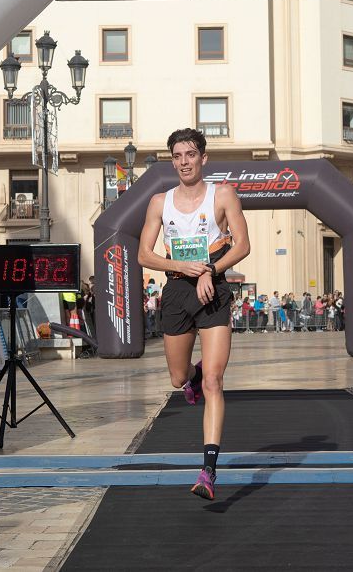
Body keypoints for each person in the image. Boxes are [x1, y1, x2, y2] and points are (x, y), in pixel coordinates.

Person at [137, 128, 250, 500]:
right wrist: (184, 268)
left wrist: (209, 271)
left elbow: (243, 245)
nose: (184, 161)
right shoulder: (159, 202)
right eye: (177, 156)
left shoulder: (222, 194)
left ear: (203, 158)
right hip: (176, 291)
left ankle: (208, 471)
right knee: (177, 377)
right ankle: (192, 376)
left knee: (214, 382)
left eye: (190, 154)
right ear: (173, 160)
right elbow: (144, 255)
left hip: (213, 288)